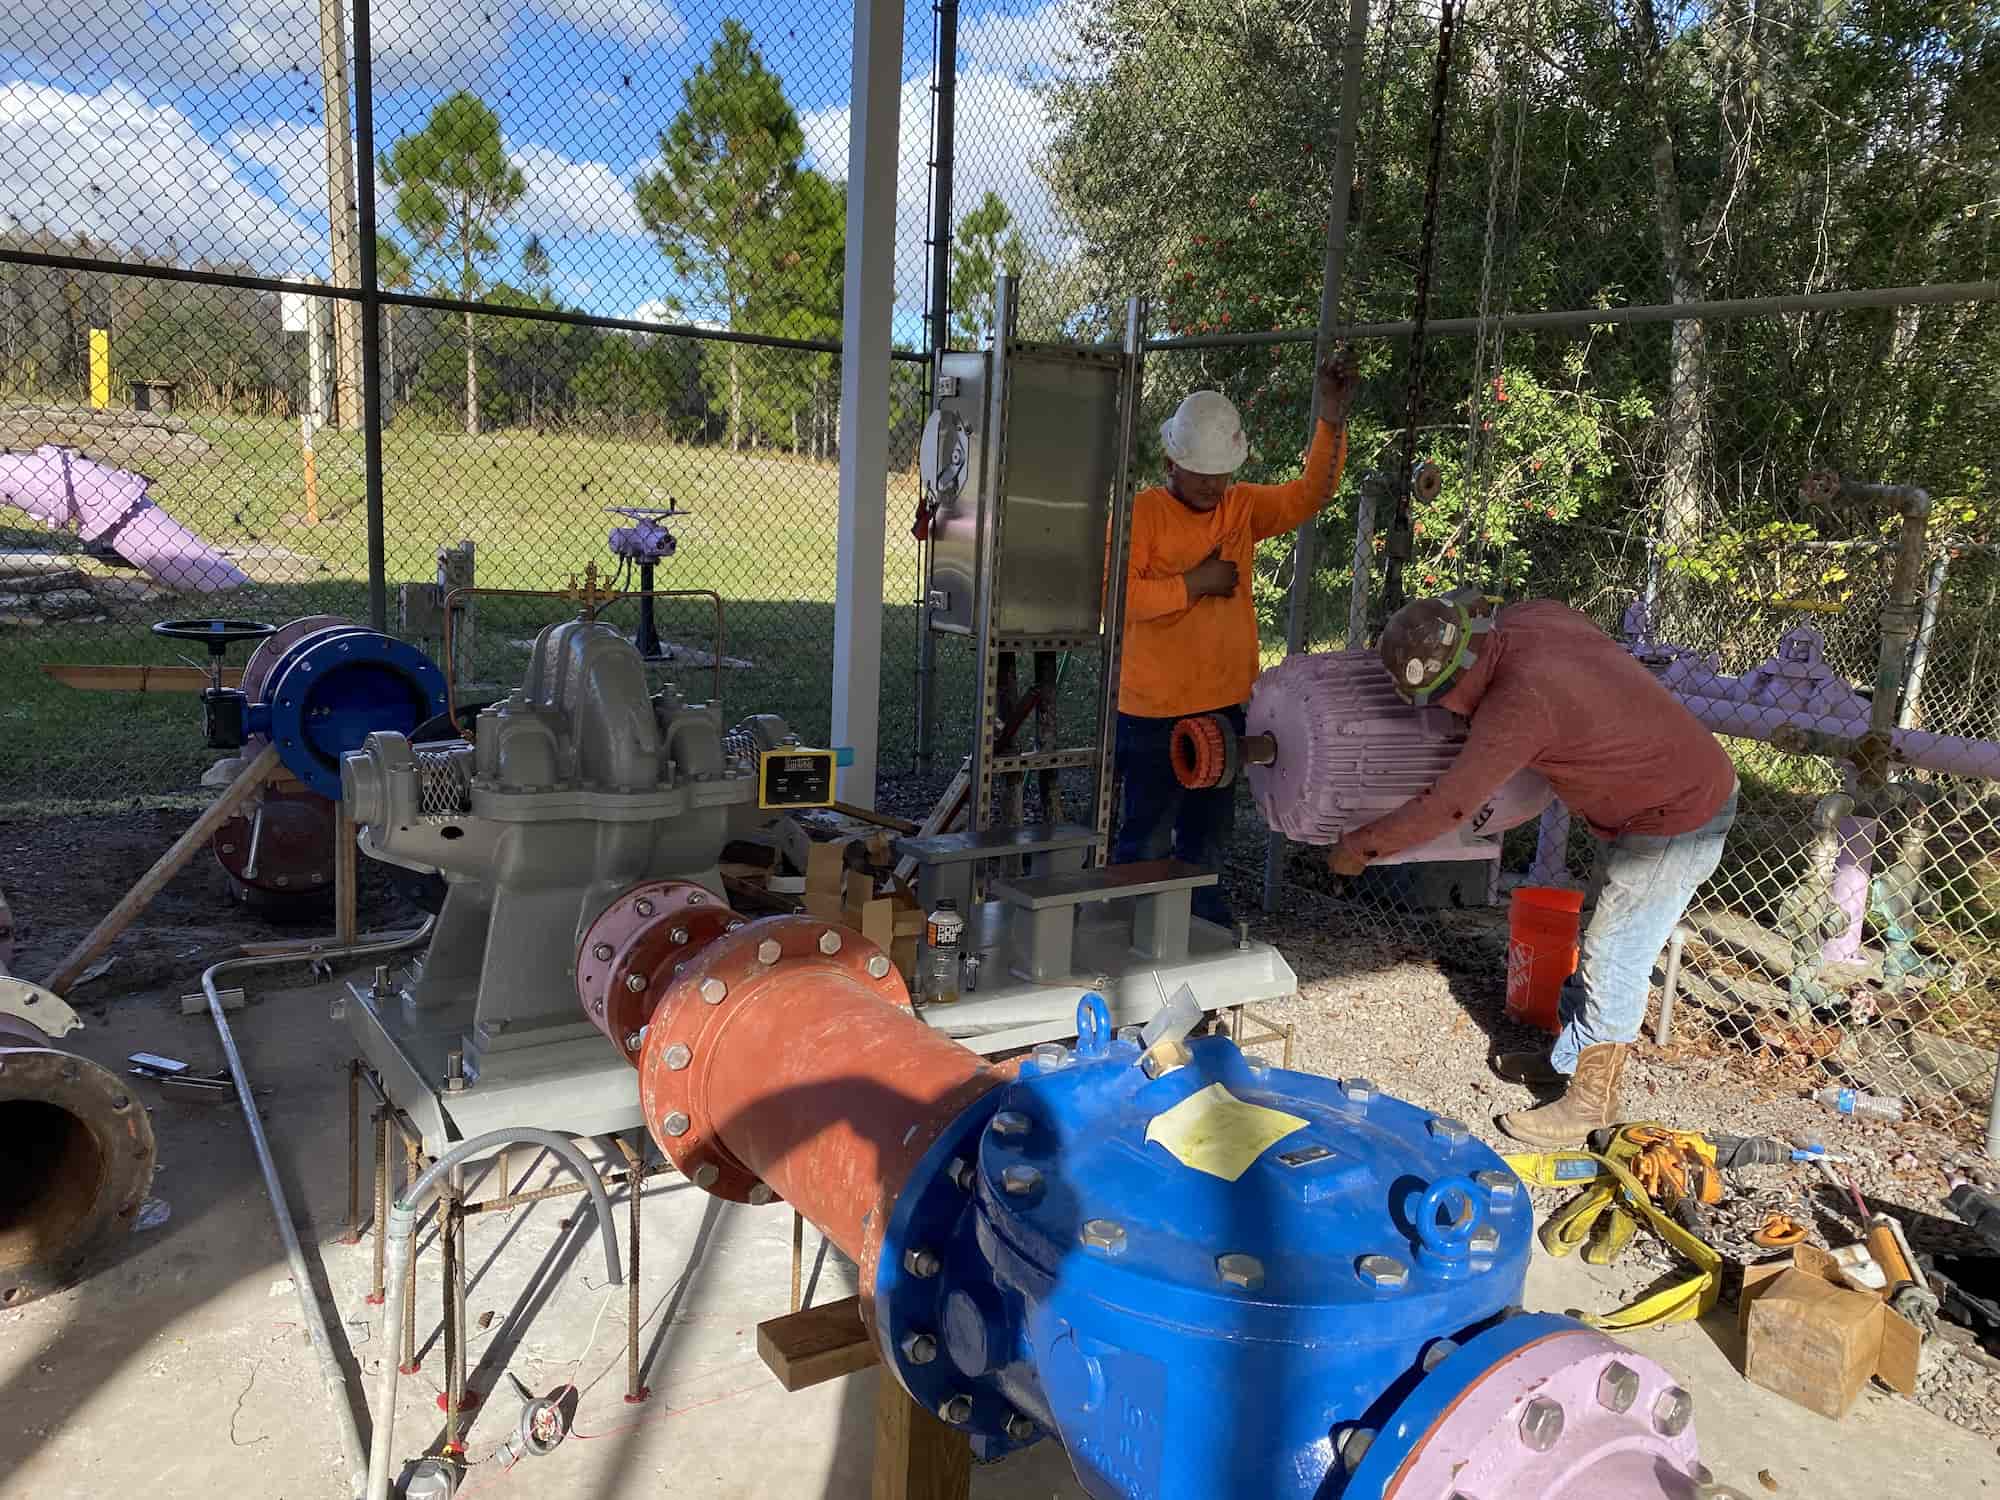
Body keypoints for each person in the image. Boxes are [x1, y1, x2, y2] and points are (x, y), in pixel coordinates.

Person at [1328, 593, 1739, 1146]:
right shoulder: (1530, 619)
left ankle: (1593, 1102)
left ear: (1457, 678)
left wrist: (1359, 848)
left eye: (1441, 698)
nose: (1444, 711)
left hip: (1677, 813)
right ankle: (1570, 1058)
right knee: (1600, 934)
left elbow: (1448, 806)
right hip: (1657, 792)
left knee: (1614, 951)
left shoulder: (1516, 706)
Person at [1113, 355, 1358, 925]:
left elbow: (1310, 495)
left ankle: (1201, 934)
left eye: (1221, 472)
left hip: (1222, 706)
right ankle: (1129, 933)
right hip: (1151, 711)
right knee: (1146, 833)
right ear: (1170, 462)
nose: (1211, 484)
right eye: (1199, 472)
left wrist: (1331, 419)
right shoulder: (1143, 513)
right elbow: (1116, 596)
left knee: (1208, 835)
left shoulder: (1241, 506)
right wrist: (1194, 584)